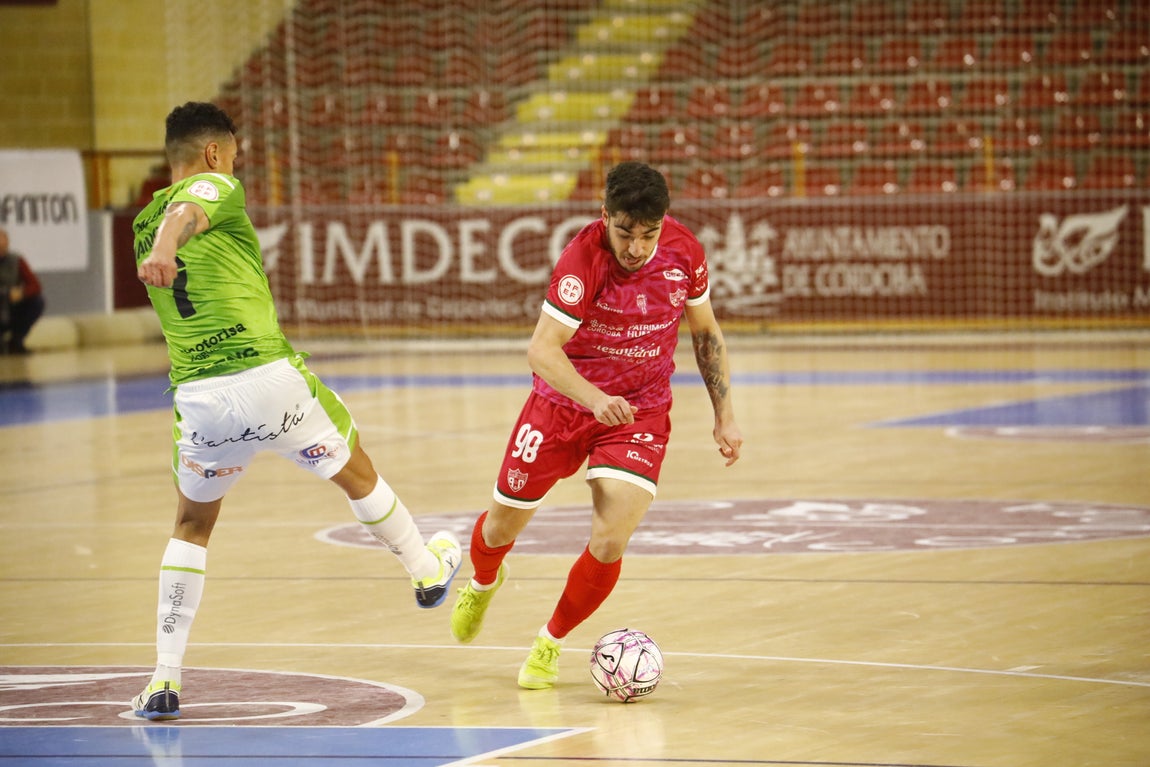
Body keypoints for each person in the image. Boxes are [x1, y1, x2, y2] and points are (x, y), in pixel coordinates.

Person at [130, 102, 462, 721]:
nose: (235, 166)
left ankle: (163, 679)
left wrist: (162, 246)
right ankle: (425, 570)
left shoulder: (139, 224)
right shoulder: (211, 191)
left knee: (192, 525)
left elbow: (174, 219)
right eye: (233, 156)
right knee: (355, 471)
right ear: (212, 153)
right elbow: (188, 210)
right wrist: (171, 245)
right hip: (267, 379)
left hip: (201, 401)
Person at [449, 161, 742, 689]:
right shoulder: (581, 260)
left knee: (610, 539)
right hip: (562, 406)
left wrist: (725, 414)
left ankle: (549, 643)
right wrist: (595, 398)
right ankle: (484, 581)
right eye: (625, 233)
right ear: (605, 215)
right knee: (500, 526)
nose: (636, 247)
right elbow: (542, 350)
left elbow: (705, 332)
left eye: (648, 234)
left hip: (639, 412)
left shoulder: (685, 252)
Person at [0, 227, 45, 355]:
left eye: (3, 247)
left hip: (10, 305)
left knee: (37, 302)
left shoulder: (17, 260)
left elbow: (35, 285)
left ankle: (16, 340)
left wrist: (22, 293)